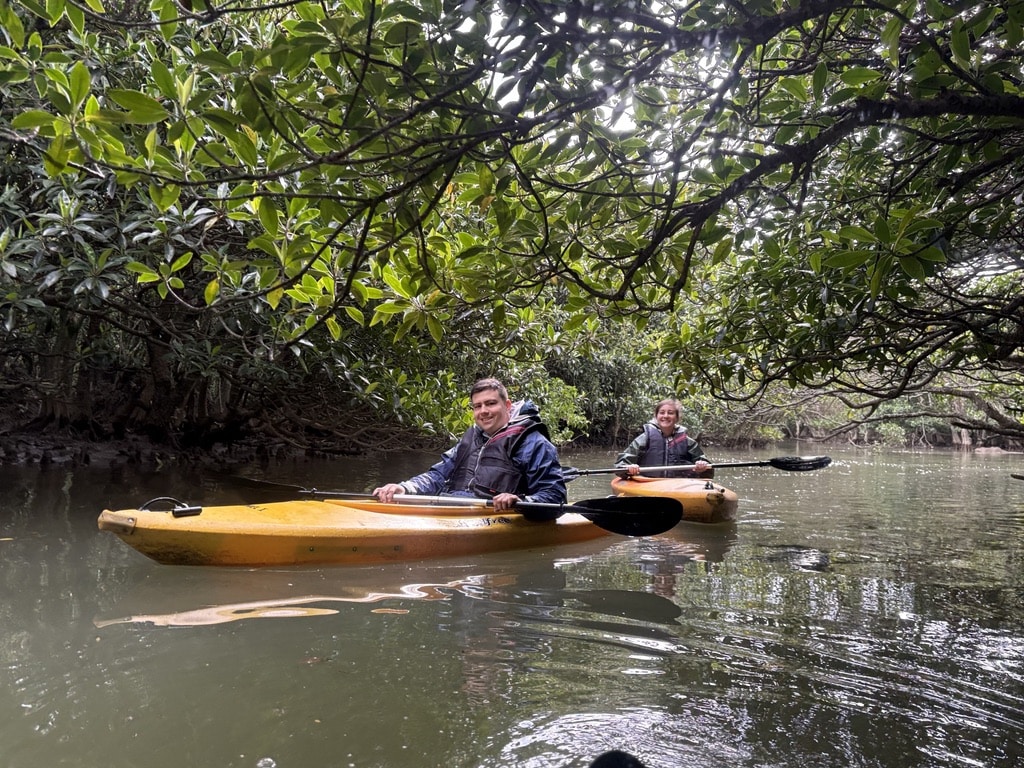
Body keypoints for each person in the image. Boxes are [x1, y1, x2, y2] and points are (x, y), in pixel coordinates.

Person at [373, 378, 567, 510]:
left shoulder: (534, 443)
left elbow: (554, 495)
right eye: (477, 406)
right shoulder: (470, 439)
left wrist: (522, 501)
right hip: (454, 507)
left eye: (491, 403)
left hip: (498, 516)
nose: (483, 411)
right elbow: (438, 475)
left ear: (507, 406)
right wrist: (405, 488)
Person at [615, 398, 712, 477]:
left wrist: (702, 466)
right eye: (662, 412)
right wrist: (629, 468)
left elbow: (709, 470)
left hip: (679, 486)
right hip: (648, 484)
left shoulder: (688, 442)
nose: (665, 416)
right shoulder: (644, 439)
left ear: (677, 418)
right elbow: (620, 465)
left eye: (670, 413)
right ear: (656, 416)